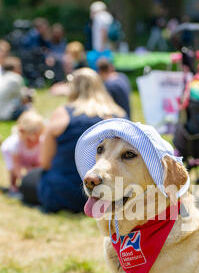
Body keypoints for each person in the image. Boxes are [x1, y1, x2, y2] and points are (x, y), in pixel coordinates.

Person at [19, 68, 126, 213]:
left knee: (28, 180)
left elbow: (45, 162)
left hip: (64, 192)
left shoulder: (63, 114)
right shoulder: (118, 115)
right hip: (107, 194)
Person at [1, 110, 44, 192]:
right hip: (13, 156)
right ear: (22, 132)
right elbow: (16, 164)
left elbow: (40, 163)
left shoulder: (40, 141)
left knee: (35, 167)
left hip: (31, 156)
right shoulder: (15, 144)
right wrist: (23, 178)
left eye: (38, 137)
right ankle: (13, 186)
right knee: (13, 170)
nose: (35, 141)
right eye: (31, 140)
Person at [0, 56, 26, 121]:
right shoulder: (15, 78)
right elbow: (23, 99)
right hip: (3, 114)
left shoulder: (2, 76)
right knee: (27, 108)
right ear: (15, 68)